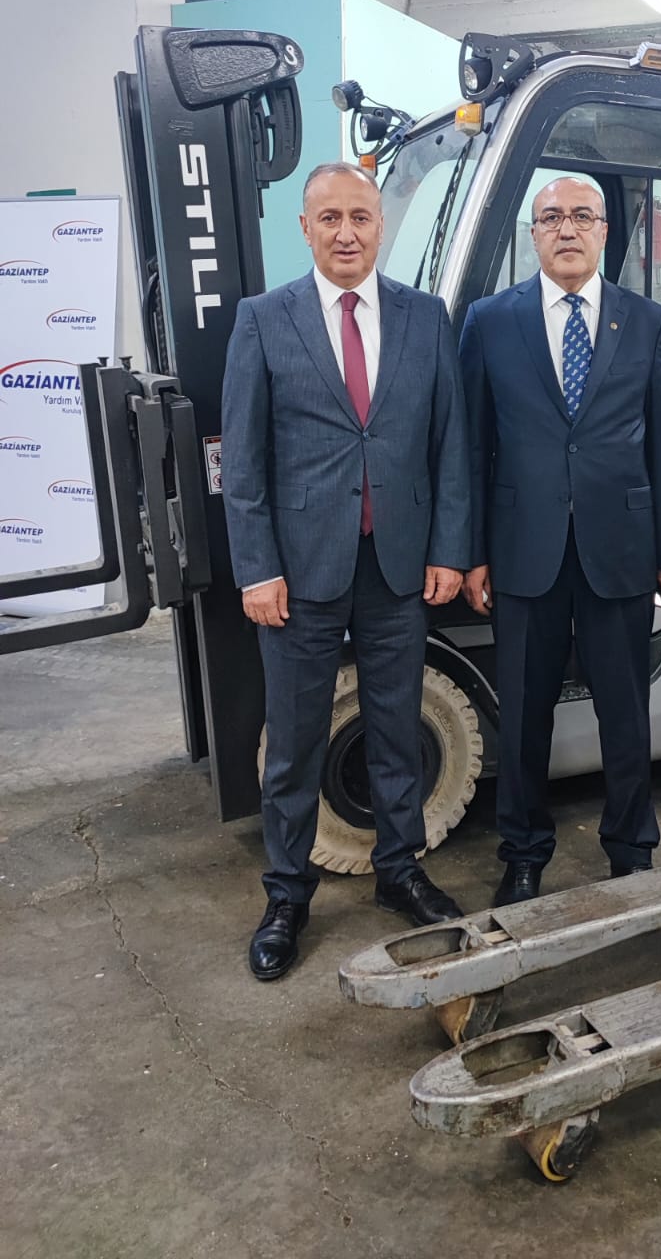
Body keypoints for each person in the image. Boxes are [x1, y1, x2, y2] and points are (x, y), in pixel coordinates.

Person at [222, 162, 470, 982]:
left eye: (360, 216)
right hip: (299, 574)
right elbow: (244, 464)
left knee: (397, 729)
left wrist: (448, 548)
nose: (347, 232)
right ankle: (287, 895)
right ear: (305, 228)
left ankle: (399, 870)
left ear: (379, 225)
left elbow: (450, 446)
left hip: (396, 566)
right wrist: (257, 569)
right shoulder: (264, 320)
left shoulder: (425, 318)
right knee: (294, 744)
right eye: (329, 217)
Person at [459, 177, 661, 907]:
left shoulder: (646, 322)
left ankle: (631, 848)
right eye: (552, 217)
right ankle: (524, 853)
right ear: (533, 234)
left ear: (603, 232)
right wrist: (471, 552)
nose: (567, 229)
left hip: (618, 550)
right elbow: (471, 449)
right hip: (522, 550)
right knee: (523, 717)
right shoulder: (490, 322)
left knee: (623, 713)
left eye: (582, 216)